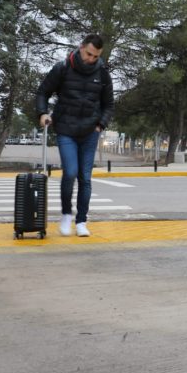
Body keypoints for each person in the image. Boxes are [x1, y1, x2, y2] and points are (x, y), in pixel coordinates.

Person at [36, 34, 114, 237]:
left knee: (85, 178)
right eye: (88, 54)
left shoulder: (103, 74)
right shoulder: (62, 68)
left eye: (95, 56)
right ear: (80, 48)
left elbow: (108, 105)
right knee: (70, 172)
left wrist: (100, 125)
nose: (91, 59)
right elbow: (43, 92)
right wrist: (43, 112)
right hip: (66, 129)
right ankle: (66, 215)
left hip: (90, 132)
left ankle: (81, 221)